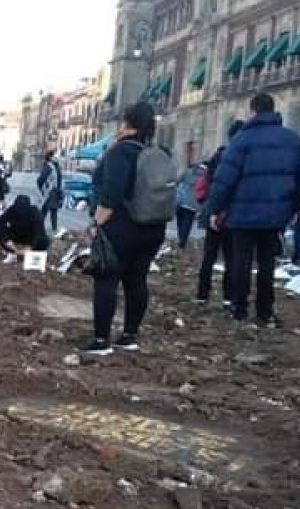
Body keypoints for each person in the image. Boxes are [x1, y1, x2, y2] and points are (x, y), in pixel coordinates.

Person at [205, 93, 300, 326]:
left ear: (253, 111)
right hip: (275, 213)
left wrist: (215, 208)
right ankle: (265, 311)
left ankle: (239, 307)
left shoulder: (242, 140)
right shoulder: (292, 140)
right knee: (267, 263)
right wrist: (295, 206)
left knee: (241, 261)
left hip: (242, 213)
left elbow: (225, 178)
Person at [81, 102, 168, 356]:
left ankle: (101, 340)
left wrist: (97, 222)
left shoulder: (120, 151)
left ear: (127, 123)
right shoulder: (155, 152)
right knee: (136, 280)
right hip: (152, 227)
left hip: (122, 227)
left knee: (106, 279)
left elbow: (112, 193)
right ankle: (129, 335)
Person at [195, 121, 243, 307]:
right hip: (231, 214)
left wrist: (212, 211)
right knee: (231, 258)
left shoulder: (218, 155)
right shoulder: (241, 158)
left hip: (215, 212)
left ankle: (202, 294)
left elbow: (212, 186)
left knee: (210, 256)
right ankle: (228, 297)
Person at [0, 194, 49, 261]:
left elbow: (40, 231)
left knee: (44, 241)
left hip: (30, 237)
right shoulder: (11, 210)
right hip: (15, 236)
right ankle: (11, 253)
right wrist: (8, 241)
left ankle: (32, 255)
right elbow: (0, 225)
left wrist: (31, 247)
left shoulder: (35, 212)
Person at [175, 163, 203, 251]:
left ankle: (180, 240)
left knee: (180, 222)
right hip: (193, 204)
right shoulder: (204, 176)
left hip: (181, 201)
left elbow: (178, 181)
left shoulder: (188, 172)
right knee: (187, 224)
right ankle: (182, 243)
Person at [37, 150, 64, 235]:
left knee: (52, 211)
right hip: (50, 192)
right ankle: (39, 229)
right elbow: (41, 179)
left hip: (55, 192)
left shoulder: (55, 166)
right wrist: (42, 189)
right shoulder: (49, 166)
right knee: (45, 211)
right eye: (55, 155)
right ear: (51, 157)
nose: (57, 157)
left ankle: (53, 229)